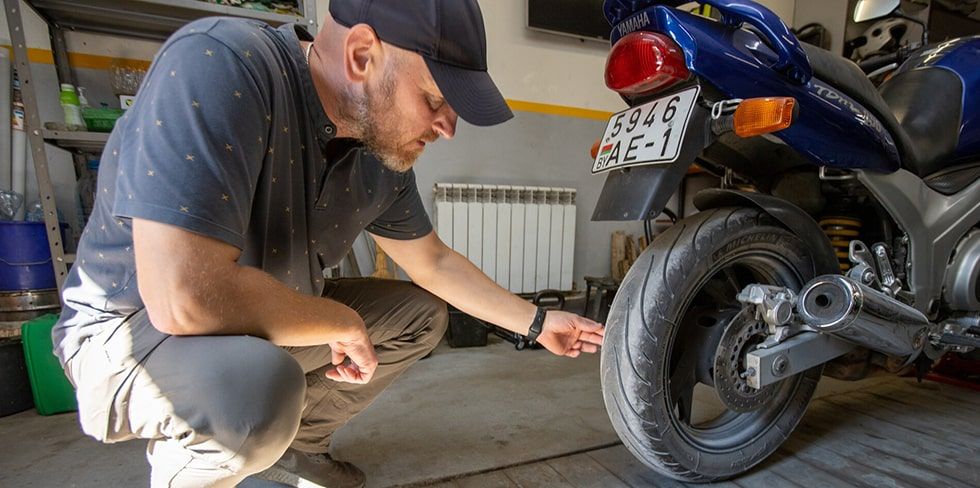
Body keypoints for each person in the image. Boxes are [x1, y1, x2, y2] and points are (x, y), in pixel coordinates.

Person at [53, 0, 605, 487]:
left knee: (420, 314)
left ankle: (293, 445)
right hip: (133, 335)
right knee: (253, 394)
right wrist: (337, 321)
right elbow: (186, 297)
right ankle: (219, 454)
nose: (448, 127)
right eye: (435, 98)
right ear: (363, 53)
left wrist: (537, 323)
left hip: (253, 326)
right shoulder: (221, 63)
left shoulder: (378, 153)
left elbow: (432, 262)